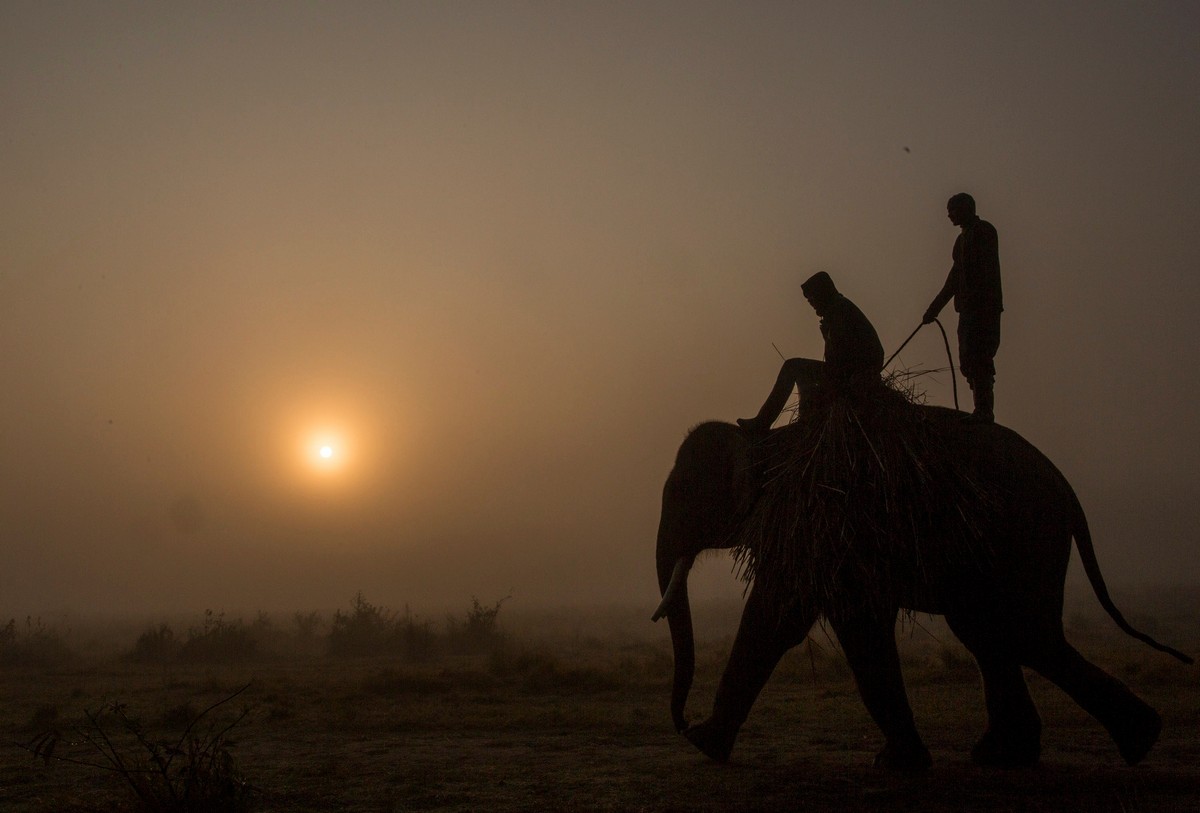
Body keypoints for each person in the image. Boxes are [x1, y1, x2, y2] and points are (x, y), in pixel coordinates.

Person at [737, 271, 883, 432]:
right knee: (803, 375)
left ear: (823, 293)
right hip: (848, 373)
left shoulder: (839, 311)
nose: (811, 304)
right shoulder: (839, 308)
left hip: (851, 376)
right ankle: (804, 420)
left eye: (812, 298)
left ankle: (762, 422)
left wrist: (829, 339)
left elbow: (839, 359)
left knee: (792, 366)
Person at [923, 192, 1003, 423]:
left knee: (980, 356)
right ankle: (980, 406)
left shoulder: (984, 232)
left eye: (953, 210)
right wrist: (934, 308)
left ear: (966, 208)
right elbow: (954, 277)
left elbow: (973, 271)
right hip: (967, 309)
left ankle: (984, 409)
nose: (949, 215)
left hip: (984, 308)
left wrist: (977, 300)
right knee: (967, 358)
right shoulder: (961, 241)